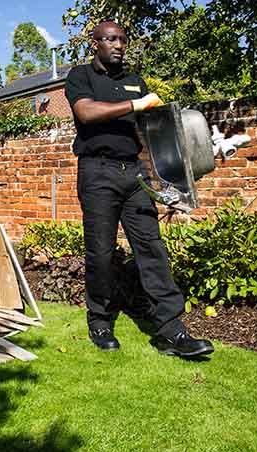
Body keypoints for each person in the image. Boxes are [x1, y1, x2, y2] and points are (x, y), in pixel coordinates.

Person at [64, 20, 214, 358]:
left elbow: (152, 136)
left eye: (122, 40)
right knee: (101, 253)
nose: (119, 45)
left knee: (152, 249)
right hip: (97, 172)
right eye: (111, 39)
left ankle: (171, 332)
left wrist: (169, 180)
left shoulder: (136, 82)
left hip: (135, 174)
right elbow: (86, 113)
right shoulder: (81, 76)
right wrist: (136, 105)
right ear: (95, 44)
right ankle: (100, 319)